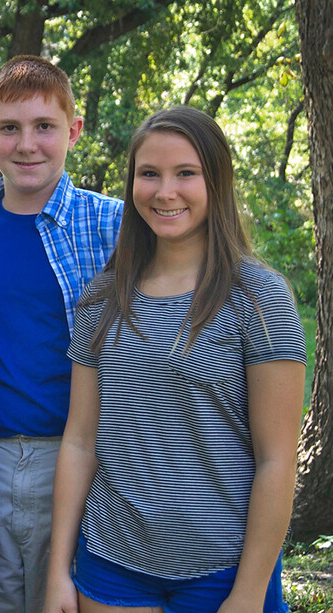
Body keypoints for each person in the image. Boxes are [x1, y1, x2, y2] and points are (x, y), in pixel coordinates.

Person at [44, 106, 306, 613]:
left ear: (217, 181)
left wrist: (249, 593)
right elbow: (79, 441)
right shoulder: (101, 300)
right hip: (111, 563)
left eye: (186, 173)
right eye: (149, 174)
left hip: (224, 567)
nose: (165, 192)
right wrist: (59, 569)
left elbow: (278, 460)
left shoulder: (257, 296)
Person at [0, 55, 123, 612]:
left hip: (83, 459)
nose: (27, 144)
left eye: (44, 127)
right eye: (10, 128)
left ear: (73, 131)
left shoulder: (117, 227)